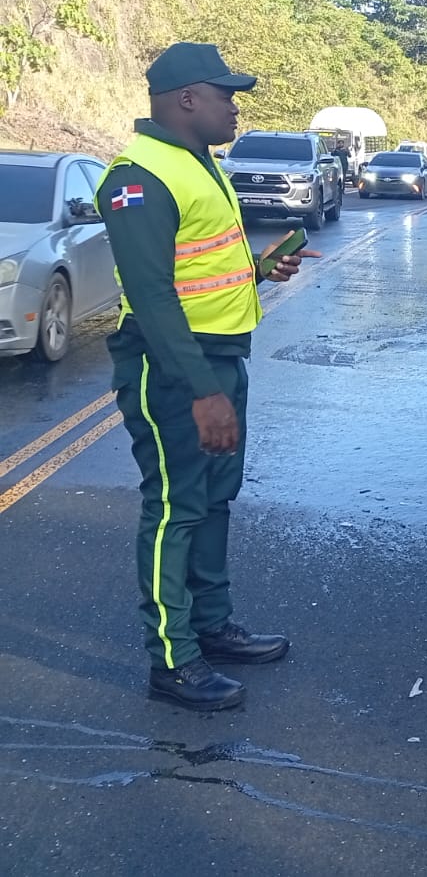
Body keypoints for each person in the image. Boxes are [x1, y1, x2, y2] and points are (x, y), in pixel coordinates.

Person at [97, 41, 316, 712]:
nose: (235, 108)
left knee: (215, 498)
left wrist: (257, 268)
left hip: (219, 357)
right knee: (174, 506)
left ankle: (211, 625)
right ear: (187, 98)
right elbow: (154, 296)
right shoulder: (138, 178)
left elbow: (198, 268)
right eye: (226, 95)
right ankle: (173, 659)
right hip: (174, 369)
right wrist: (204, 392)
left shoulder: (198, 165)